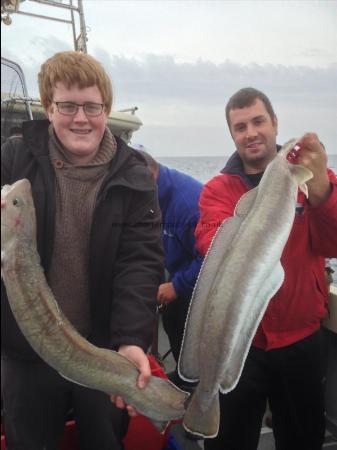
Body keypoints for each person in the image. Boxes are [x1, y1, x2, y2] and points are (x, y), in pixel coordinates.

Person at [1, 51, 164, 450]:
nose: (81, 118)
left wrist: (129, 340)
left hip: (102, 349)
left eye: (92, 106)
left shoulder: (135, 175)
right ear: (48, 107)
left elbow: (140, 263)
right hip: (26, 353)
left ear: (106, 109)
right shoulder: (13, 157)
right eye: (67, 106)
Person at [195, 87, 337, 450]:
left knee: (302, 439)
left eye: (258, 121)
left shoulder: (311, 179)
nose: (251, 133)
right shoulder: (218, 190)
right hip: (241, 343)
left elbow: (332, 244)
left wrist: (321, 189)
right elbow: (211, 246)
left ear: (274, 123)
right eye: (240, 127)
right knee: (230, 442)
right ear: (232, 135)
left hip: (302, 339)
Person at [135, 149, 203, 385]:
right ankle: (185, 376)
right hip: (179, 272)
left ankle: (196, 384)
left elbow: (212, 257)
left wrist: (176, 285)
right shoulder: (151, 196)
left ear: (150, 176)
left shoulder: (187, 205)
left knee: (185, 327)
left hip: (203, 286)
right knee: (173, 321)